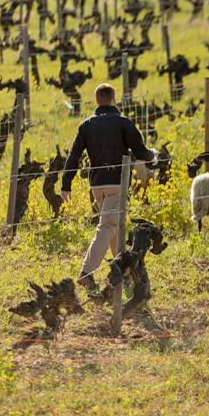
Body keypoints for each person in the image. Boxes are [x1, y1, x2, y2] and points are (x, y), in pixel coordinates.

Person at [61, 83, 156, 291]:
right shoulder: (123, 123)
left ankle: (123, 272)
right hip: (117, 182)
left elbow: (74, 156)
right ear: (114, 99)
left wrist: (65, 184)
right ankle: (87, 273)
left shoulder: (86, 125)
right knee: (108, 227)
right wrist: (153, 156)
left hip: (97, 185)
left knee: (114, 228)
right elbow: (140, 152)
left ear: (97, 101)